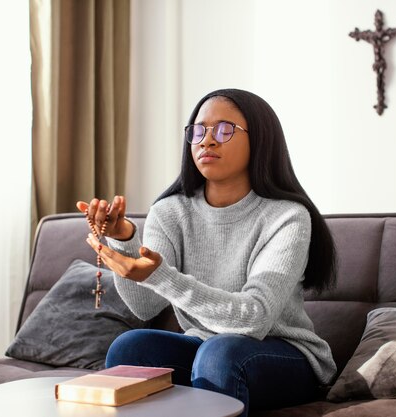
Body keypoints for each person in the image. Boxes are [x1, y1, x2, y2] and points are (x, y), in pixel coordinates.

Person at [77, 88, 337, 416]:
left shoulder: (286, 216)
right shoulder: (170, 211)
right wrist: (124, 240)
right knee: (132, 347)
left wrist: (163, 275)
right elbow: (145, 306)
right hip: (207, 351)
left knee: (220, 353)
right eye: (198, 130)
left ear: (260, 140)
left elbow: (254, 320)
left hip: (283, 358)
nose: (207, 140)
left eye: (224, 130)